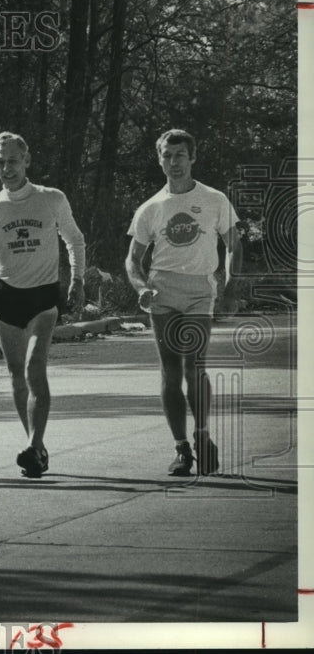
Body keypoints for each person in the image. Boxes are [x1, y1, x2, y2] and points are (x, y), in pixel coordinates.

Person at [0, 132, 85, 479]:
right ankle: (36, 447)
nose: (7, 168)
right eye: (0, 162)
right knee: (17, 376)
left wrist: (77, 280)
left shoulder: (51, 199)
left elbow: (73, 239)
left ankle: (35, 446)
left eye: (13, 161)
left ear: (27, 161)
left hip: (43, 297)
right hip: (6, 297)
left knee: (36, 368)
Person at [125, 129, 241, 476]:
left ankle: (203, 436)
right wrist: (140, 286)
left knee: (196, 366)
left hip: (199, 291)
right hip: (162, 292)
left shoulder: (214, 199)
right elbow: (132, 259)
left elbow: (234, 243)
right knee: (171, 371)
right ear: (159, 159)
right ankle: (181, 449)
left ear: (192, 158)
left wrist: (231, 288)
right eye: (167, 156)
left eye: (180, 155)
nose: (173, 163)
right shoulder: (151, 208)